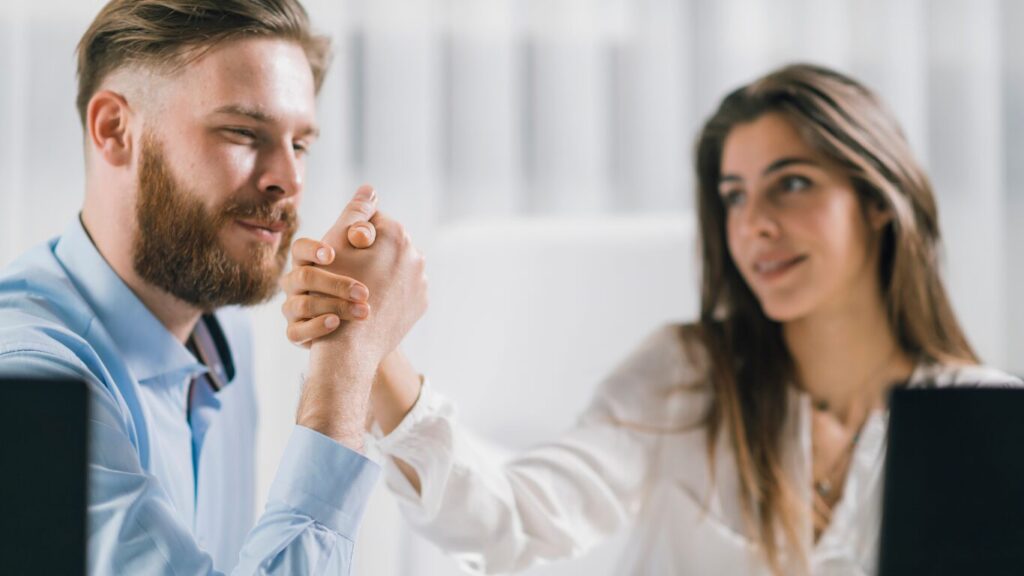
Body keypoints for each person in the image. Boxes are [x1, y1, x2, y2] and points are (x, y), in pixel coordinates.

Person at [282, 64, 1021, 575]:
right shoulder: (690, 375)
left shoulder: (984, 415)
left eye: (791, 184)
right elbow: (513, 520)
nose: (755, 224)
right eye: (733, 196)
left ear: (878, 203)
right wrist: (373, 343)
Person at [0, 0, 425, 573]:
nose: (290, 181)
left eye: (300, 144)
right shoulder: (26, 383)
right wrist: (345, 365)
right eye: (243, 132)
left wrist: (369, 340)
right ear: (115, 130)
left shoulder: (223, 329)